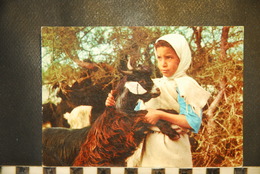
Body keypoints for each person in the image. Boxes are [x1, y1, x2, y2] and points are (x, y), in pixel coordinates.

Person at [105, 33, 211, 167]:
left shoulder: (186, 85)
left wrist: (160, 115)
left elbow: (193, 121)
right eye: (159, 58)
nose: (163, 64)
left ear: (181, 58)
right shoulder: (153, 84)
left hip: (172, 148)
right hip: (147, 147)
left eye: (169, 57)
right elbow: (134, 113)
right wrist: (114, 104)